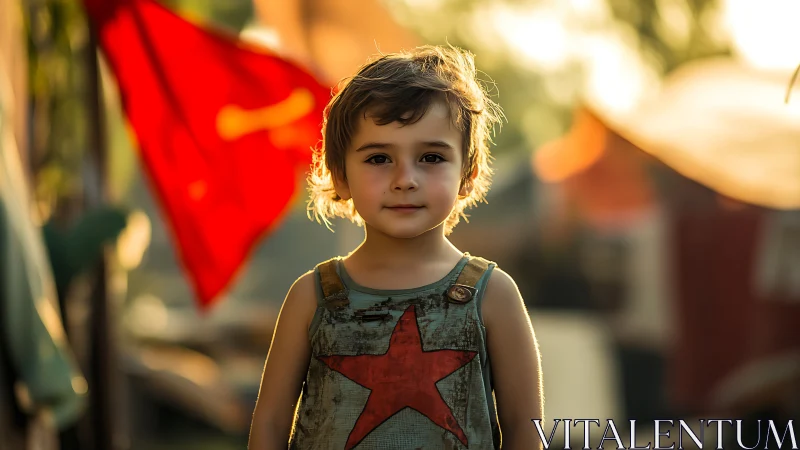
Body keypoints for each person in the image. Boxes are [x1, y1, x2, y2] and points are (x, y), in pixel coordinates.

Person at [249, 45, 544, 450]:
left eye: (430, 157)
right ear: (340, 176)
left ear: (467, 175)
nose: (405, 179)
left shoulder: (492, 295)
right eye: (378, 159)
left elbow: (526, 431)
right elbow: (269, 424)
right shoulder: (312, 296)